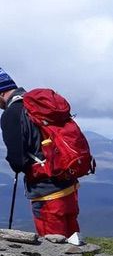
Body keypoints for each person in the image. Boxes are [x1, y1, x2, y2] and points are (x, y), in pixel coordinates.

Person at [0, 68, 84, 243]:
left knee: (53, 245)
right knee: (72, 239)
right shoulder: (39, 106)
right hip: (68, 183)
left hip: (46, 191)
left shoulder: (12, 114)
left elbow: (17, 161)